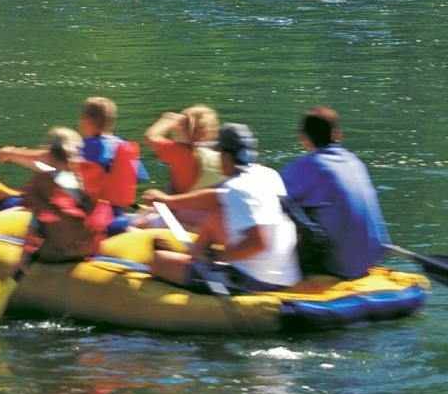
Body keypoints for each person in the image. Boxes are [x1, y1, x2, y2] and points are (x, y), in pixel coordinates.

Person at [145, 123, 301, 292]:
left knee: (158, 261)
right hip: (288, 276)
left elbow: (257, 243)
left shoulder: (238, 187)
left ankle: (195, 260)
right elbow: (214, 196)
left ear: (226, 156)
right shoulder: (268, 174)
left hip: (255, 280)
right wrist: (166, 200)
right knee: (217, 214)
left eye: (219, 153)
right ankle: (193, 256)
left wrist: (214, 257)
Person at [279, 106, 390, 279]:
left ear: (303, 138)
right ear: (338, 134)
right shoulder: (355, 162)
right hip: (373, 257)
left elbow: (273, 194)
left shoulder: (308, 165)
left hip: (340, 267)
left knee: (283, 203)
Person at [0, 128, 112, 263]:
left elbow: (33, 227)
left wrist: (23, 261)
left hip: (58, 254)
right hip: (88, 250)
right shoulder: (87, 179)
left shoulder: (45, 183)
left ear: (49, 154)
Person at [74, 96, 147, 210]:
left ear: (86, 120)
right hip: (117, 211)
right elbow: (138, 177)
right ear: (111, 121)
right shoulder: (125, 146)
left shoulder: (82, 147)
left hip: (91, 212)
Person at [145, 105, 222, 192]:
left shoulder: (181, 153)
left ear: (180, 129)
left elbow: (151, 138)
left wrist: (167, 120)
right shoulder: (226, 156)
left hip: (184, 204)